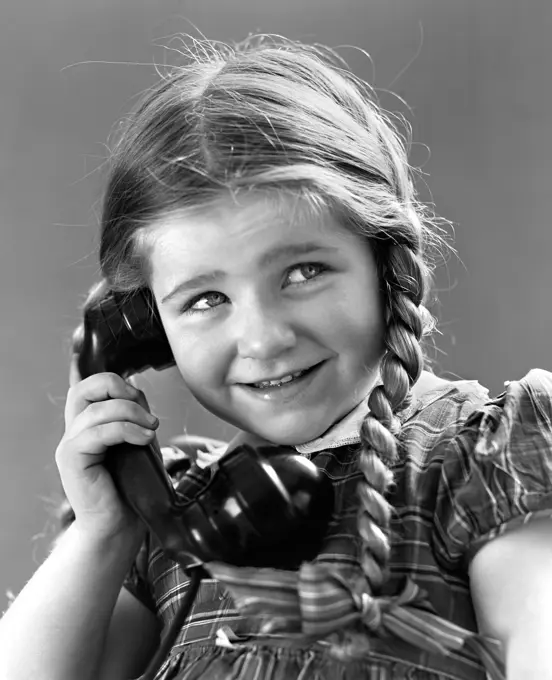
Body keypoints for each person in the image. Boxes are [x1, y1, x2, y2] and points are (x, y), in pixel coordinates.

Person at [1, 34, 552, 680]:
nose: (263, 339)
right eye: (206, 299)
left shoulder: (476, 463)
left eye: (303, 273)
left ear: (385, 263)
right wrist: (102, 533)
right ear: (144, 330)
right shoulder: (169, 527)